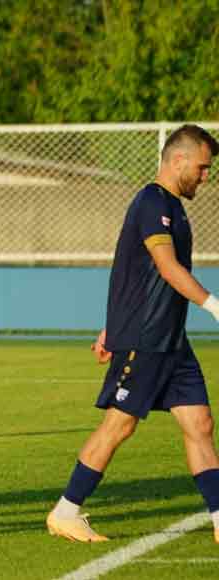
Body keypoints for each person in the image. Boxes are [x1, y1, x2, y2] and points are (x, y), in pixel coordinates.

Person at [47, 124, 219, 544]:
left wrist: (110, 326)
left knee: (200, 423)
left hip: (170, 340)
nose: (205, 176)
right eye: (201, 167)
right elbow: (165, 267)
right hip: (146, 340)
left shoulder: (173, 207)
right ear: (177, 160)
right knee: (119, 425)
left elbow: (133, 272)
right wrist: (214, 306)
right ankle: (66, 512)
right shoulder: (150, 202)